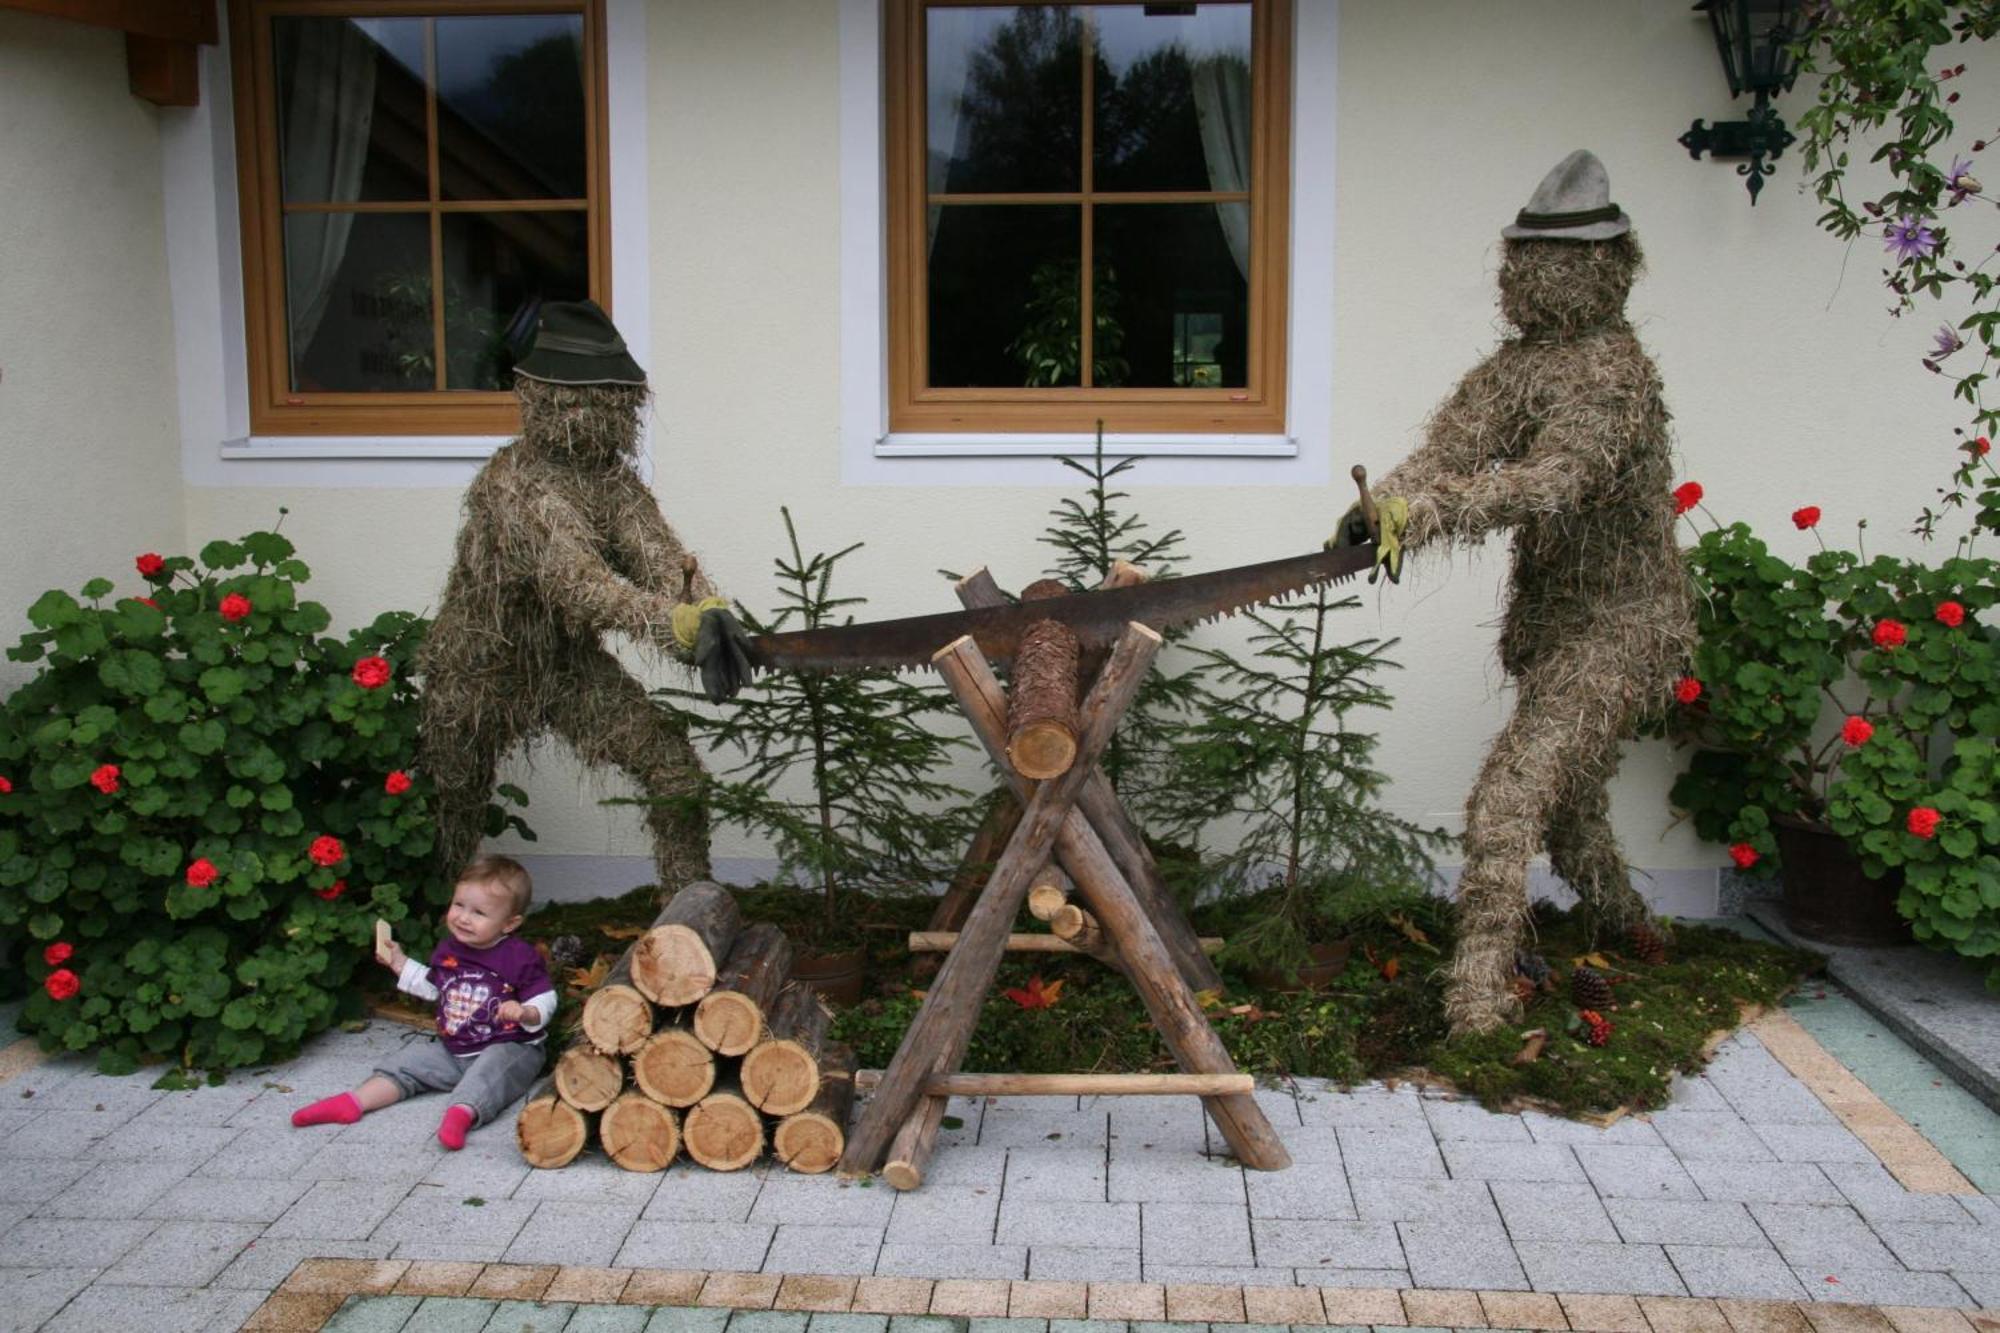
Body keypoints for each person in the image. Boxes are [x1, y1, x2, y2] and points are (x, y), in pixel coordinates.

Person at [1330, 150, 1693, 1035]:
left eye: (1557, 261)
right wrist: (1377, 507)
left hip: (1624, 621)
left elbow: (1554, 482)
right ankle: (1629, 926)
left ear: (1609, 267)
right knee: (1569, 814)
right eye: (1523, 259)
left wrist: (1426, 514)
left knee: (1509, 798)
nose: (1535, 277)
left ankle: (1480, 1004)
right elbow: (1448, 451)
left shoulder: (1614, 375)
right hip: (1549, 620)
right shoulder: (1514, 372)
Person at [418, 299, 753, 896]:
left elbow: (659, 558)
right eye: (580, 401)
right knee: (453, 811)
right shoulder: (514, 486)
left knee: (675, 774)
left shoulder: (614, 483)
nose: (595, 416)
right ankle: (439, 941)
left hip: (566, 666)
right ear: (539, 399)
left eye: (611, 402)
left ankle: (691, 916)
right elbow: (579, 582)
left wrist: (706, 609)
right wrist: (667, 623)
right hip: (479, 669)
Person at [291, 854, 557, 1149]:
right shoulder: (450, 949)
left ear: (509, 923)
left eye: (479, 913)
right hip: (456, 1049)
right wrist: (399, 962)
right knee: (407, 1063)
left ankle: (461, 1113)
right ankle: (354, 1102)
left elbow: (545, 996)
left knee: (491, 1071)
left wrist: (527, 1012)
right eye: (459, 905)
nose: (463, 918)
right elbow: (434, 986)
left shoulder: (518, 956)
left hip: (510, 1045)